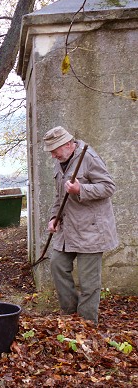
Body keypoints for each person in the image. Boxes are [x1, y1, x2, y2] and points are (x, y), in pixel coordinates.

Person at [43, 126, 118, 323]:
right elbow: (59, 196)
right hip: (68, 230)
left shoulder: (89, 158)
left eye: (54, 150)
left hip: (91, 230)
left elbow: (109, 187)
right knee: (57, 264)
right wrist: (53, 218)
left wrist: (81, 189)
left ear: (68, 144)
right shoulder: (60, 163)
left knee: (89, 282)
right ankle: (70, 315)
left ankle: (85, 324)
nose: (52, 155)